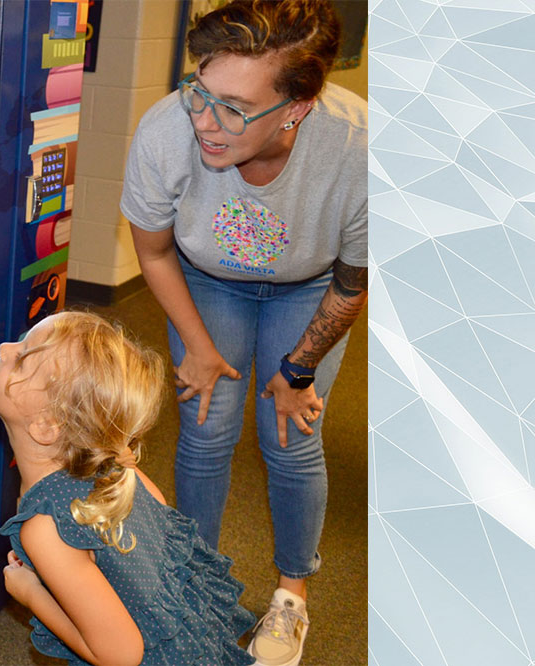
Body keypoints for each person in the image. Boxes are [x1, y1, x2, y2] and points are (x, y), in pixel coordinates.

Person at [120, 1, 367, 664]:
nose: (205, 119)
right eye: (200, 91)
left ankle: (291, 598)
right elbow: (154, 252)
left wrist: (297, 373)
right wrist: (198, 348)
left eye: (233, 107)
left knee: (290, 434)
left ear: (296, 107)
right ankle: (196, 591)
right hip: (206, 280)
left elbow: (351, 280)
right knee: (204, 426)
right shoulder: (168, 129)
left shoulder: (360, 145)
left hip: (311, 287)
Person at [0, 311, 256, 666]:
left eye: (21, 359)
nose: (4, 348)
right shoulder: (119, 467)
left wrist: (31, 593)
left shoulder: (46, 528)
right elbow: (160, 530)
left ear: (47, 426)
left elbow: (120, 654)